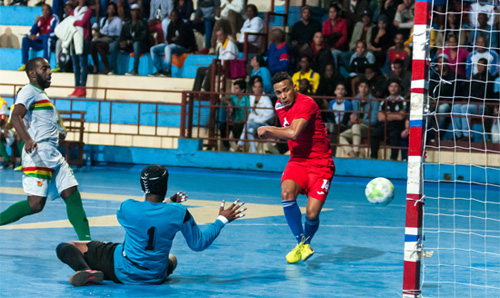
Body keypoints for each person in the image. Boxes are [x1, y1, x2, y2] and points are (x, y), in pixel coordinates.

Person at [56, 164, 246, 286]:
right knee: (172, 258)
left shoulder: (128, 208)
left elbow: (148, 212)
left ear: (142, 186)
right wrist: (222, 219)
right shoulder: (179, 212)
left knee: (67, 247)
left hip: (121, 269)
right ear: (165, 186)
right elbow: (198, 244)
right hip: (155, 275)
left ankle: (85, 271)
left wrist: (168, 201)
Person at [0, 57, 91, 241]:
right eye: (44, 68)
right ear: (32, 73)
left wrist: (56, 134)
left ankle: (87, 243)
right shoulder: (28, 91)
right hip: (38, 154)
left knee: (71, 192)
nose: (50, 72)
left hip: (52, 153)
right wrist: (27, 139)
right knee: (35, 204)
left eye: (49, 68)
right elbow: (15, 116)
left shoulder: (42, 95)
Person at [257, 72, 335, 263]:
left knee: (312, 213)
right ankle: (302, 243)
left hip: (320, 163)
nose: (283, 96)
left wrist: (268, 129)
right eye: (278, 92)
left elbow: (293, 132)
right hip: (298, 161)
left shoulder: (306, 103)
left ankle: (305, 242)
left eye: (286, 90)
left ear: (294, 88)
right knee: (286, 193)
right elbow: (288, 131)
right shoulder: (278, 106)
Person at [233, 77, 274, 153]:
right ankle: (254, 152)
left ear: (262, 88)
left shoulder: (265, 99)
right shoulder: (251, 98)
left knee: (248, 124)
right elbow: (250, 112)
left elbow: (270, 113)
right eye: (255, 87)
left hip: (262, 123)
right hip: (252, 123)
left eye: (259, 87)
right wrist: (253, 120)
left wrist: (257, 120)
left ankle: (239, 145)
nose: (257, 89)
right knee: (249, 130)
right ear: (252, 88)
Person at [150, 9, 196, 77]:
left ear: (178, 16)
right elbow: (168, 39)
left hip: (183, 47)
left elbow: (182, 40)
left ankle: (168, 70)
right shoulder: (170, 25)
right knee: (153, 49)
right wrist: (175, 39)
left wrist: (174, 40)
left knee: (168, 48)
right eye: (171, 16)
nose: (173, 18)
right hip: (172, 45)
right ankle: (159, 69)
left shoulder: (183, 25)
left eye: (175, 16)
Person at [339, 79, 378, 158]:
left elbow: (374, 121)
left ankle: (356, 152)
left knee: (356, 126)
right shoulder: (354, 100)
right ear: (358, 88)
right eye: (361, 86)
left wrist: (360, 121)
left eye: (366, 87)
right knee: (341, 136)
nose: (363, 89)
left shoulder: (374, 101)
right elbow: (353, 117)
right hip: (356, 127)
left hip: (368, 128)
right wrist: (352, 120)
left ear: (369, 89)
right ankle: (351, 153)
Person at [370, 78, 408, 160]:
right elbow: (380, 117)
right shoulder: (384, 101)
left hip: (397, 126)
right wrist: (395, 115)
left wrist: (387, 115)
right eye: (391, 86)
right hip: (385, 125)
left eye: (395, 86)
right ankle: (373, 157)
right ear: (388, 88)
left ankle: (393, 158)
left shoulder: (403, 101)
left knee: (394, 135)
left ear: (399, 88)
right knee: (375, 133)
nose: (393, 88)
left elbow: (401, 117)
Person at [192, 27, 238, 91]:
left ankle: (206, 89)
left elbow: (229, 60)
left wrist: (216, 66)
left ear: (225, 35)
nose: (219, 37)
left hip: (228, 68)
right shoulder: (221, 46)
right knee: (200, 70)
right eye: (218, 36)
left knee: (212, 67)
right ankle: (195, 92)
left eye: (221, 35)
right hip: (220, 67)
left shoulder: (230, 45)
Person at [18, 4, 59, 72]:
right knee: (25, 40)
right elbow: (32, 33)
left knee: (47, 40)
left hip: (52, 43)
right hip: (41, 42)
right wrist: (35, 23)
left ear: (50, 11)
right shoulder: (40, 19)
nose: (45, 12)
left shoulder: (54, 19)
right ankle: (24, 64)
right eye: (43, 10)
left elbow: (54, 34)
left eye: (47, 10)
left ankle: (45, 65)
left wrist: (38, 37)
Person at [90, 2, 122, 75]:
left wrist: (104, 35)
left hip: (112, 39)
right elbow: (101, 31)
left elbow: (117, 34)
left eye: (112, 9)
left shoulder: (118, 20)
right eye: (109, 8)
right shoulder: (104, 20)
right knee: (92, 44)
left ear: (115, 10)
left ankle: (107, 67)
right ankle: (96, 65)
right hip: (103, 39)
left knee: (98, 44)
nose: (110, 10)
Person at [68, 0, 92, 98]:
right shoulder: (74, 11)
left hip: (83, 38)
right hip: (74, 38)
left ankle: (82, 88)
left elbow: (82, 23)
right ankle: (77, 87)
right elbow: (69, 22)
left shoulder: (88, 11)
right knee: (75, 64)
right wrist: (73, 22)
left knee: (83, 63)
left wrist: (74, 22)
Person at [120, 3, 149, 76]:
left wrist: (130, 41)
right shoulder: (127, 24)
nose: (135, 13)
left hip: (142, 45)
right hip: (130, 45)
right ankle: (112, 69)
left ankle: (135, 70)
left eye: (137, 11)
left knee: (136, 44)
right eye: (133, 11)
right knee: (114, 44)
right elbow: (123, 36)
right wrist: (122, 42)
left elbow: (143, 38)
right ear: (131, 12)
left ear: (139, 12)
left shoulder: (143, 23)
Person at [326, 82, 352, 156]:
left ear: (345, 92)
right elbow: (331, 116)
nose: (340, 91)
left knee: (333, 127)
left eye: (342, 89)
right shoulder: (331, 103)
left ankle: (332, 153)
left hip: (344, 126)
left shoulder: (347, 103)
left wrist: (336, 126)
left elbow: (346, 118)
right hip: (334, 126)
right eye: (338, 89)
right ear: (335, 91)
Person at [322, 3, 347, 69]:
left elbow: (344, 37)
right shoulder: (326, 23)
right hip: (328, 46)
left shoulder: (343, 22)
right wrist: (329, 47)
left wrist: (335, 46)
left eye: (334, 12)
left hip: (339, 48)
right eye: (330, 12)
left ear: (337, 12)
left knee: (333, 53)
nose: (332, 14)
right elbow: (324, 37)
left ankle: (334, 71)